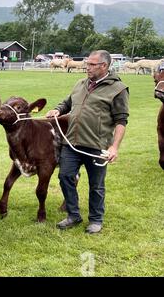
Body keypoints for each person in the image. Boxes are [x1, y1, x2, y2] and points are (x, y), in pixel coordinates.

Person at [46, 50, 129, 234]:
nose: (87, 67)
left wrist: (114, 147)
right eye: (87, 63)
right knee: (65, 176)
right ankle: (73, 215)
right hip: (72, 142)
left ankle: (96, 220)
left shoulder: (118, 89)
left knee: (96, 185)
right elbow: (67, 103)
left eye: (92, 64)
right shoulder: (80, 83)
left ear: (104, 66)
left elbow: (121, 121)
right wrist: (57, 110)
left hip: (97, 146)